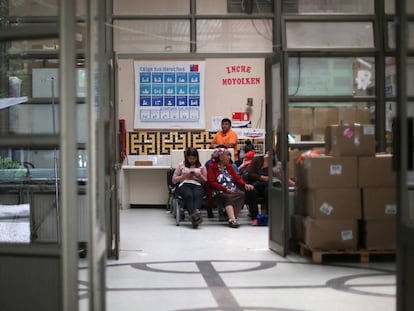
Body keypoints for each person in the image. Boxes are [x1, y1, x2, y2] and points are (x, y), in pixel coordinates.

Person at [207, 147, 254, 228]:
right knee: (228, 196)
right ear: (221, 157)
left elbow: (237, 178)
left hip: (231, 188)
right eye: (227, 155)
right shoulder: (212, 167)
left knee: (241, 194)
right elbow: (212, 182)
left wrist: (245, 184)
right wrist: (225, 189)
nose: (229, 157)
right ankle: (232, 220)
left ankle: (230, 216)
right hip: (219, 189)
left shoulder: (229, 166)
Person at [240, 151, 282, 225]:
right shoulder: (257, 159)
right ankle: (255, 217)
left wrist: (267, 164)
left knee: (269, 191)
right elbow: (250, 173)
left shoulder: (274, 163)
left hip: (267, 184)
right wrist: (260, 177)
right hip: (255, 183)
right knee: (251, 192)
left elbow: (273, 176)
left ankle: (270, 216)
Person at [172, 147, 207, 228]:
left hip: (197, 184)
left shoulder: (201, 166)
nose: (192, 160)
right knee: (189, 195)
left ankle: (194, 216)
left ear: (197, 157)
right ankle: (195, 217)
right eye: (189, 158)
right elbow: (174, 180)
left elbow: (206, 181)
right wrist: (184, 176)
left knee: (197, 195)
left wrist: (200, 176)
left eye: (194, 158)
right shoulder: (181, 165)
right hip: (184, 184)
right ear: (186, 157)